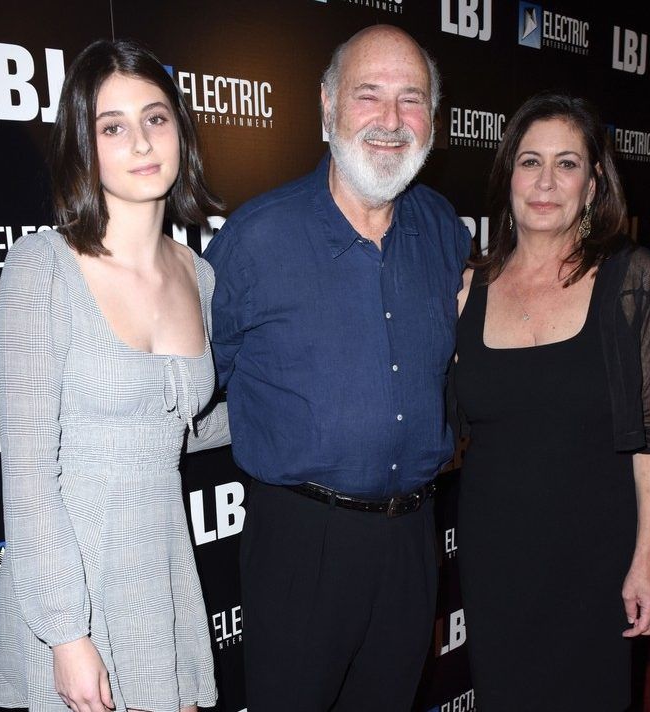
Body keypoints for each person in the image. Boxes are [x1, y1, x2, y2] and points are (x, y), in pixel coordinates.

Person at [203, 24, 471, 712]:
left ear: (433, 122)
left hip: (413, 540)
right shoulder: (256, 239)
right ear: (326, 108)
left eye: (411, 100)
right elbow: (200, 384)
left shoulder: (444, 231)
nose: (390, 120)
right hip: (301, 547)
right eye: (368, 95)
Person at [0, 39, 229, 712]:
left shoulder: (197, 275)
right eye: (112, 126)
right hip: (73, 580)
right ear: (84, 146)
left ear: (180, 130)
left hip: (161, 571)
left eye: (156, 118)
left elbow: (180, 424)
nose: (141, 142)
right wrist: (66, 634)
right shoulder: (43, 268)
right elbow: (28, 475)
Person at [451, 92, 650, 711]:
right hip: (496, 550)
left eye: (567, 163)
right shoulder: (470, 288)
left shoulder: (631, 279)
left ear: (594, 182)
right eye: (530, 162)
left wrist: (645, 560)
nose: (546, 181)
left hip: (595, 552)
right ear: (508, 178)